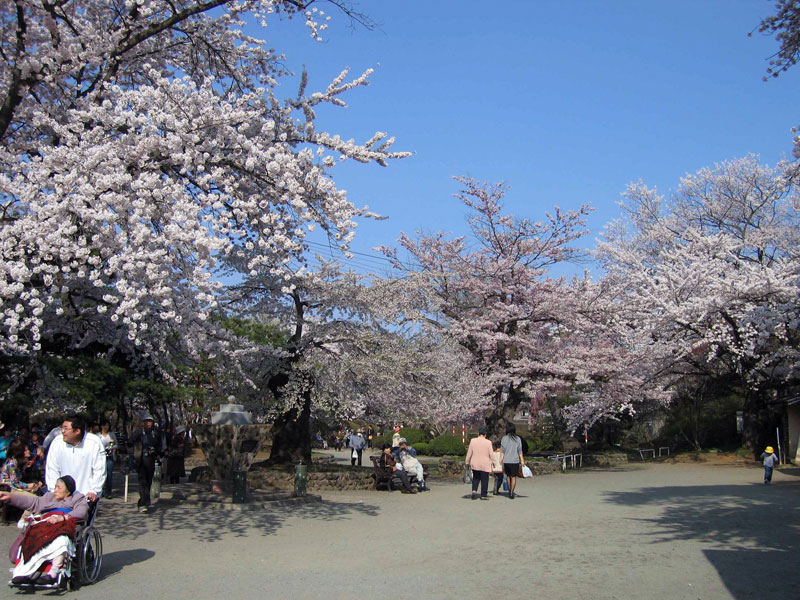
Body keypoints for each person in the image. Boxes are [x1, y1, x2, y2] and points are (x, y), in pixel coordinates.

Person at [1, 475, 88, 585]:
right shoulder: (49, 497)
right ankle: (22, 573)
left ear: (68, 490)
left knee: (61, 539)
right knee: (31, 538)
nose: (55, 490)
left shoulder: (78, 498)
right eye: (55, 487)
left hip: (63, 524)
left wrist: (62, 518)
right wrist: (11, 497)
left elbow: (82, 512)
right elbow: (33, 502)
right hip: (45, 525)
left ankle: (53, 573)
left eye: (58, 487)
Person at [45, 415, 105, 502]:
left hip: (87, 497)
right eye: (62, 428)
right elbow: (52, 469)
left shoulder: (94, 442)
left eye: (66, 428)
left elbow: (99, 470)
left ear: (77, 431)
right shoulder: (57, 442)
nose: (62, 431)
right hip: (62, 497)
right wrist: (54, 490)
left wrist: (94, 490)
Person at [127, 413, 165, 513]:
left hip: (151, 460)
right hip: (141, 460)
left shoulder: (155, 433)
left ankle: (143, 501)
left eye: (150, 421)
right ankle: (144, 503)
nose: (148, 423)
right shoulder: (139, 432)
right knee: (142, 481)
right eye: (146, 421)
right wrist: (133, 453)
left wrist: (158, 454)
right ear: (143, 422)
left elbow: (159, 445)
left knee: (148, 482)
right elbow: (130, 442)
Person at [465, 427, 494, 500]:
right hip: (485, 463)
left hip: (475, 462)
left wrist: (467, 461)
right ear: (485, 435)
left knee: (476, 478)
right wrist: (494, 462)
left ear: (478, 434)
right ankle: (483, 495)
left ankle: (474, 491)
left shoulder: (473, 441)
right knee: (485, 479)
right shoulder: (488, 442)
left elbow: (469, 452)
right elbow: (491, 454)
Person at [500, 423, 526, 499]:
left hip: (506, 460)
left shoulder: (504, 438)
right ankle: (511, 492)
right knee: (513, 477)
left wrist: (500, 459)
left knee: (508, 476)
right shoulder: (518, 439)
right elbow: (520, 451)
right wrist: (522, 461)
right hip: (515, 461)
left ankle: (509, 490)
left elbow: (502, 450)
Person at [98, 421, 117, 499]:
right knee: (100, 474)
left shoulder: (111, 435)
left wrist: (113, 446)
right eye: (104, 425)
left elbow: (116, 444)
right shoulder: (98, 436)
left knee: (109, 474)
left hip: (109, 456)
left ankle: (108, 492)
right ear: (101, 426)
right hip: (100, 457)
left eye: (107, 425)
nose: (106, 427)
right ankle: (100, 491)